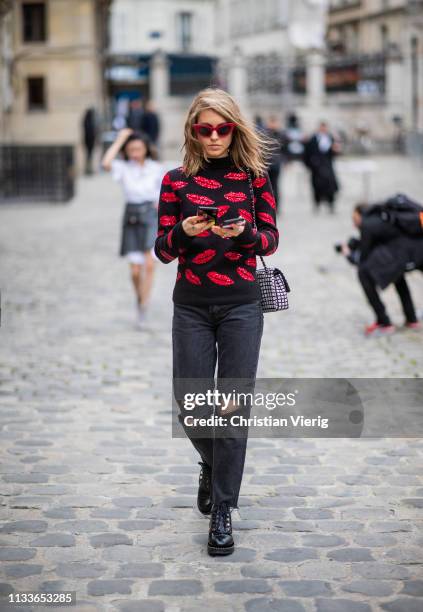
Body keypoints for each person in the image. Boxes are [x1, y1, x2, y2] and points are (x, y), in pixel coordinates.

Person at [154, 88, 279, 557]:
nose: (213, 137)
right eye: (204, 129)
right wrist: (181, 232)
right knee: (190, 404)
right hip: (190, 303)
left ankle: (224, 510)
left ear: (234, 129)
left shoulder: (254, 179)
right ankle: (212, 464)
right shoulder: (175, 182)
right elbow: (161, 251)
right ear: (193, 131)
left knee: (230, 407)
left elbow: (270, 240)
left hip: (242, 305)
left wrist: (245, 232)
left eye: (222, 128)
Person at [101, 128, 163, 327]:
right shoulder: (123, 168)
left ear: (146, 149)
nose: (135, 153)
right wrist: (120, 140)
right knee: (135, 271)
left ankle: (144, 306)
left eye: (138, 148)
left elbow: (164, 192)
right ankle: (140, 299)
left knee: (150, 264)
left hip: (151, 215)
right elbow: (105, 163)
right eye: (131, 150)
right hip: (132, 216)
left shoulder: (155, 168)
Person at [338, 203, 423, 336]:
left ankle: (384, 322)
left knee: (363, 274)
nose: (354, 223)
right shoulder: (381, 218)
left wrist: (348, 254)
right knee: (398, 277)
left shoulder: (367, 224)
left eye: (354, 218)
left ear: (359, 214)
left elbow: (363, 258)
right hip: (410, 252)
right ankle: (411, 319)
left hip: (400, 254)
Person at [304, 121, 341, 213]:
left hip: (328, 165)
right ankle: (317, 204)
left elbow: (335, 153)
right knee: (317, 186)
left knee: (330, 186)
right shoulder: (313, 139)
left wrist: (336, 150)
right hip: (316, 167)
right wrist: (309, 165)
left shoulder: (331, 138)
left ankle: (331, 204)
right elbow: (307, 153)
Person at [264, 115, 287, 214]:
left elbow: (285, 149)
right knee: (266, 187)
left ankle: (276, 207)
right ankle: (267, 207)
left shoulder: (281, 134)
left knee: (276, 186)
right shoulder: (264, 134)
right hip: (266, 164)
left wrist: (285, 161)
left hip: (276, 164)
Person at [82, 107, 98, 175]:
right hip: (89, 141)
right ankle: (88, 169)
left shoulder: (88, 120)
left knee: (89, 155)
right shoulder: (88, 121)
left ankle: (89, 169)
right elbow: (89, 132)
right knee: (89, 155)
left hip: (89, 140)